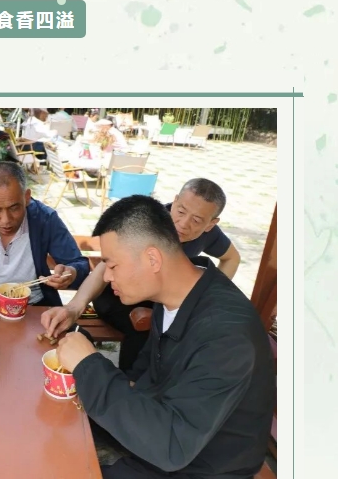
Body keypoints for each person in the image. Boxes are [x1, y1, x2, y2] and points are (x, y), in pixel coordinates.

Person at [42, 195, 275, 478]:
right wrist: (95, 375)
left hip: (200, 465)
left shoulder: (226, 336)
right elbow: (145, 373)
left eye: (112, 266)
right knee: (53, 427)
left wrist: (89, 365)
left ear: (152, 259)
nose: (107, 277)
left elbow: (172, 445)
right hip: (162, 433)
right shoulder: (175, 296)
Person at [57, 178, 242, 371]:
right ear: (175, 201)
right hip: (116, 295)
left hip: (158, 300)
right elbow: (106, 267)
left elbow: (232, 258)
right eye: (181, 211)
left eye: (196, 220)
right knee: (144, 327)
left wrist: (204, 296)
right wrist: (75, 307)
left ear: (211, 224)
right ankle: (128, 381)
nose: (184, 224)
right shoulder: (147, 222)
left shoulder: (209, 234)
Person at [0, 161, 90, 306]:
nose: (6, 220)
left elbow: (78, 264)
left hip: (33, 306)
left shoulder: (44, 219)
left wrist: (71, 273)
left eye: (14, 208)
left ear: (27, 197)